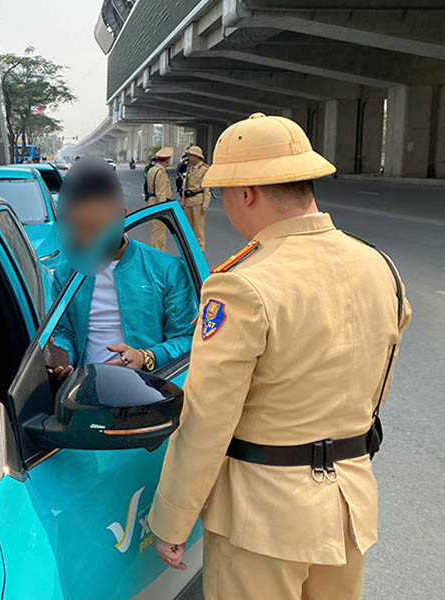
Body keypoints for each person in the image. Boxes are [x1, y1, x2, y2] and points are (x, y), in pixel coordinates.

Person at [147, 113, 411, 600]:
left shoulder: (241, 284)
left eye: (225, 192)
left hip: (263, 520)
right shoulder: (378, 265)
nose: (224, 204)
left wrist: (172, 518)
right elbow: (377, 383)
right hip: (348, 507)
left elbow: (207, 419)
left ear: (249, 192)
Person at [46, 157, 196, 379]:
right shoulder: (67, 271)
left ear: (122, 217)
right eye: (80, 227)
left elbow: (187, 338)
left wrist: (146, 357)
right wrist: (62, 356)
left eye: (97, 227)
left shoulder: (166, 269)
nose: (88, 238)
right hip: (83, 390)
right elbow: (63, 331)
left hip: (148, 390)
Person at [181, 145, 210, 252]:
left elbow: (207, 189)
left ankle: (200, 251)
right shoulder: (189, 167)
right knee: (189, 228)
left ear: (196, 157)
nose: (189, 158)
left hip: (198, 201)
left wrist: (205, 205)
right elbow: (185, 186)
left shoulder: (204, 169)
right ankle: (191, 250)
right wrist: (183, 201)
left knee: (198, 229)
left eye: (190, 155)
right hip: (189, 201)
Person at [144, 147, 173, 251]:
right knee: (158, 233)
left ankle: (156, 251)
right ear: (167, 160)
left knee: (155, 230)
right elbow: (161, 194)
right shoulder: (161, 173)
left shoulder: (152, 170)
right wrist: (163, 208)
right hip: (158, 204)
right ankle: (157, 252)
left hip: (152, 202)